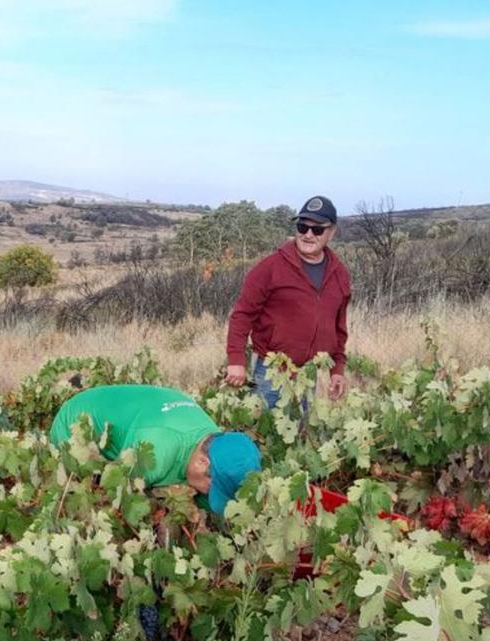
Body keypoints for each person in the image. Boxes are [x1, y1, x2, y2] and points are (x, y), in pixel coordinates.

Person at [48, 384, 261, 515]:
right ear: (202, 463)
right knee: (89, 495)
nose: (208, 492)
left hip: (132, 414)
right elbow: (116, 494)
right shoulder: (155, 456)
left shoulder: (213, 437)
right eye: (212, 487)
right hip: (75, 425)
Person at [224, 195, 351, 407]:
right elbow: (242, 315)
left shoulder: (340, 275)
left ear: (332, 232)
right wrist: (236, 361)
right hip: (269, 372)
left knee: (299, 433)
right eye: (302, 227)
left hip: (308, 375)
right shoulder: (269, 268)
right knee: (263, 435)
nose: (308, 235)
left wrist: (337, 369)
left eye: (317, 229)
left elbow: (339, 328)